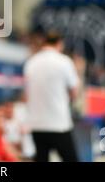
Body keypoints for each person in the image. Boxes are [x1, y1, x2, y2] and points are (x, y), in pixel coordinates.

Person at [24, 31, 80, 162]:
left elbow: (27, 94)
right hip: (58, 123)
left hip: (37, 124)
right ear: (59, 44)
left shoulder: (31, 63)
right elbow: (74, 93)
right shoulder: (65, 62)